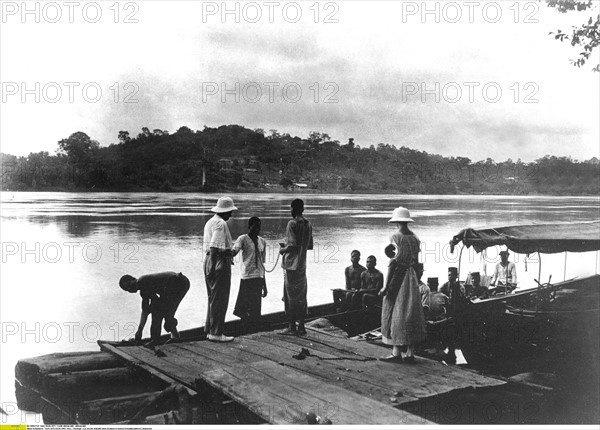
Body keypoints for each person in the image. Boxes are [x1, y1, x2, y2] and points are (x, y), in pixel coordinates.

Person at [378, 207, 426, 364]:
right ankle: (410, 352)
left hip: (399, 277)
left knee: (395, 310)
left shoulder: (395, 237)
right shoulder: (415, 238)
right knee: (410, 311)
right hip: (411, 277)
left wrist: (385, 286)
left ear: (397, 221)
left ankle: (396, 351)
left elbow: (393, 263)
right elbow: (418, 263)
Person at [120, 272, 190, 347]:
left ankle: (157, 339)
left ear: (134, 279)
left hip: (179, 282)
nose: (130, 289)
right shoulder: (143, 291)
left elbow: (155, 306)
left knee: (159, 311)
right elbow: (145, 311)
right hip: (174, 285)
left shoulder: (143, 281)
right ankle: (175, 337)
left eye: (129, 285)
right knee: (164, 311)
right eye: (127, 289)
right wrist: (140, 330)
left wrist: (140, 331)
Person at [203, 196, 237, 342]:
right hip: (217, 261)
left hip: (210, 260)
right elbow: (214, 246)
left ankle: (210, 329)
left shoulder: (210, 221)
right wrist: (215, 266)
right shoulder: (220, 223)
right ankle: (216, 332)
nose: (231, 214)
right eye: (230, 211)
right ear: (225, 211)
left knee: (212, 297)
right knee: (220, 298)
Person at [279, 199, 314, 336]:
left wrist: (283, 249)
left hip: (291, 265)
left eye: (291, 208)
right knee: (301, 294)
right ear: (303, 209)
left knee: (290, 296)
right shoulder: (308, 224)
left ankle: (292, 326)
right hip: (302, 265)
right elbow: (310, 245)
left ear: (294, 209)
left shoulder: (292, 223)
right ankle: (302, 326)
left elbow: (292, 245)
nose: (291, 211)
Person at [232, 217, 268, 324]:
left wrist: (265, 286)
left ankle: (254, 328)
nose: (257, 229)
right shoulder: (243, 239)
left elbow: (262, 265)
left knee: (256, 308)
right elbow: (234, 251)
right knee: (244, 308)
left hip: (258, 277)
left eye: (259, 226)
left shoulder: (262, 241)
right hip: (247, 277)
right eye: (255, 226)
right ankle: (245, 328)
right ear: (249, 227)